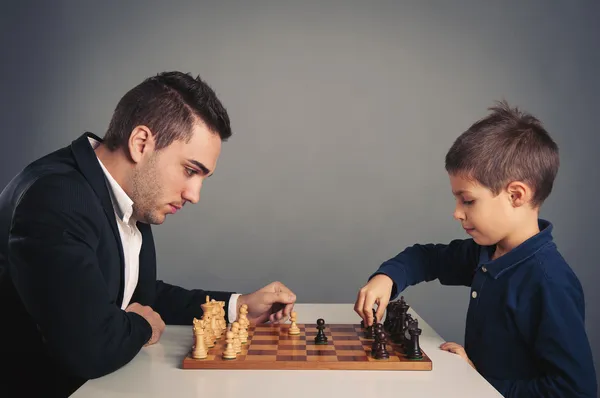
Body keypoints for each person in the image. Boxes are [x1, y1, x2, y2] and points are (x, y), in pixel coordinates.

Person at [0, 71, 296, 397]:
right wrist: (143, 326)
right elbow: (89, 349)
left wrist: (237, 306)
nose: (194, 194)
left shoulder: (123, 195)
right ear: (141, 143)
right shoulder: (56, 198)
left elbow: (131, 296)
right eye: (190, 170)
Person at [354, 101, 597, 397]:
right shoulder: (487, 253)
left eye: (467, 200)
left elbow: (575, 390)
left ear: (516, 195)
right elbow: (426, 257)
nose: (456, 212)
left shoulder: (548, 282)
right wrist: (388, 278)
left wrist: (478, 380)